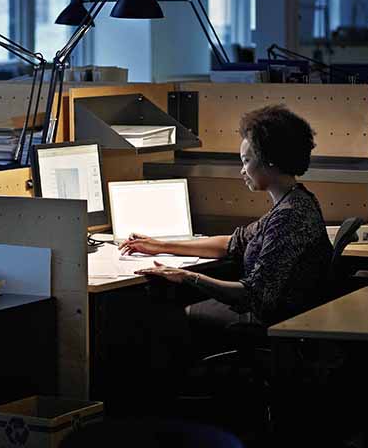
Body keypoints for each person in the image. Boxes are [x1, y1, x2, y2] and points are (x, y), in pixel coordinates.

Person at [119, 104, 333, 345]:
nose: (242, 170)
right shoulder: (296, 200)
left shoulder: (290, 216)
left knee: (163, 315)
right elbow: (233, 243)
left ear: (269, 161)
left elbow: (251, 295)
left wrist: (186, 276)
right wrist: (160, 245)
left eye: (247, 160)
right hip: (278, 315)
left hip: (269, 323)